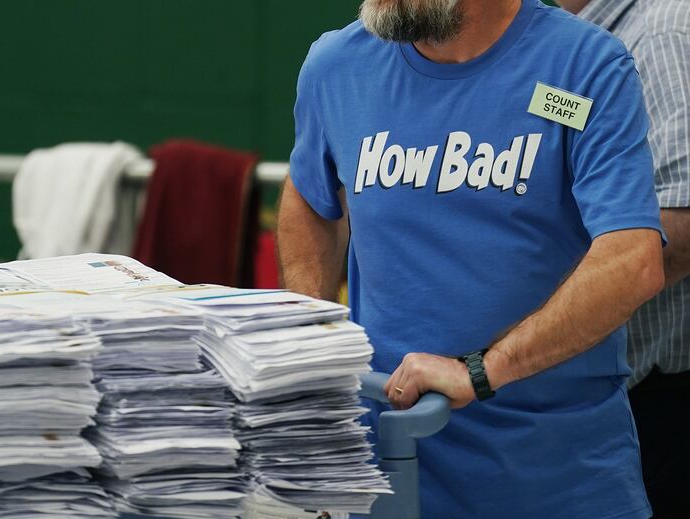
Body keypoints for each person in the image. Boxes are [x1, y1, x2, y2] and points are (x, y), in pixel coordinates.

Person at [277, 0, 666, 517]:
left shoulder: (584, 66)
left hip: (552, 480)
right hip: (385, 468)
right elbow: (309, 196)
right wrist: (312, 347)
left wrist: (483, 371)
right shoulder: (337, 64)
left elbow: (632, 260)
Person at [555, 1, 690, 516]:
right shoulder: (569, 41)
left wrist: (547, 306)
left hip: (662, 395)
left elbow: (683, 214)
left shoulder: (659, 33)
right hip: (602, 385)